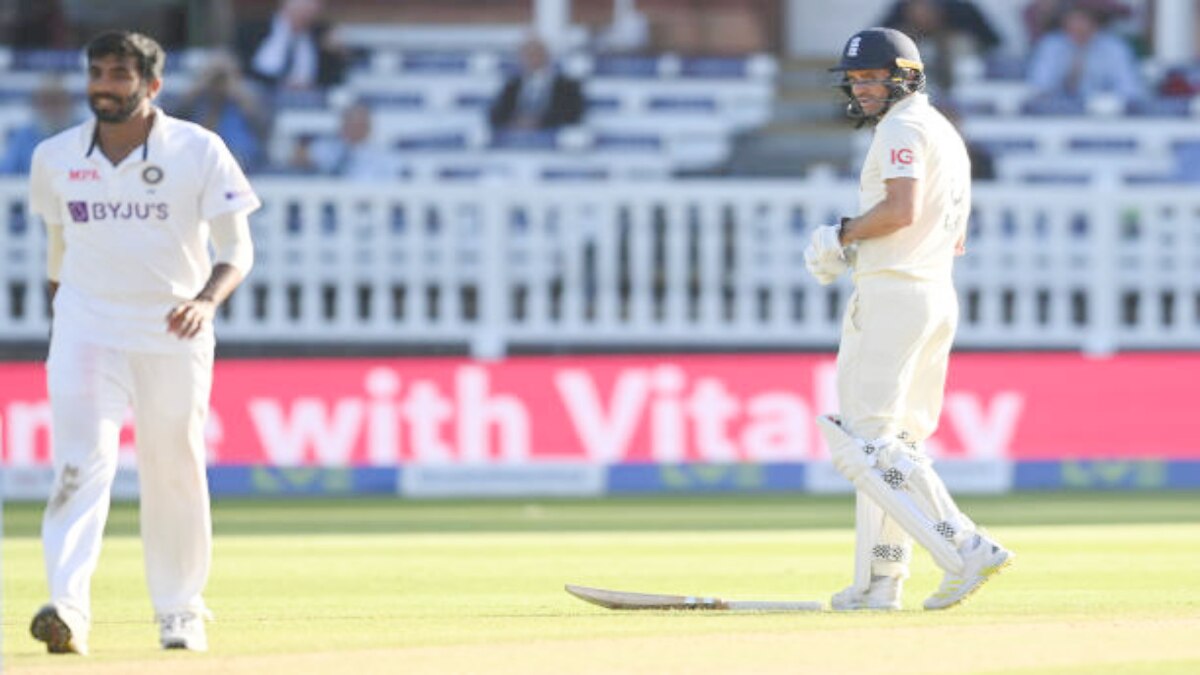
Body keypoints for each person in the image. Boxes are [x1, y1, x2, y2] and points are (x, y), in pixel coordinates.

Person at [26, 30, 259, 654]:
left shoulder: (198, 149)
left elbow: (238, 248)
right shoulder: (54, 155)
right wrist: (67, 316)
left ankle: (179, 611)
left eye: (119, 75)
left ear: (152, 85)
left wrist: (205, 302)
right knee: (78, 465)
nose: (104, 86)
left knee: (173, 468)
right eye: (97, 72)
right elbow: (59, 246)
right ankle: (67, 608)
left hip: (172, 330)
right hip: (87, 330)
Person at [804, 27, 1012, 612]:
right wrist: (860, 250)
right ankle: (881, 581)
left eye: (874, 77)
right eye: (856, 79)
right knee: (895, 446)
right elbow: (948, 232)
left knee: (864, 446)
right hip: (933, 291)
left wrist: (842, 235)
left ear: (907, 77)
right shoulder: (943, 130)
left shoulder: (901, 127)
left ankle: (965, 546)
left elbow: (901, 210)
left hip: (895, 295)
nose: (863, 88)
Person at [172, 51, 271, 172]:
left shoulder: (248, 92)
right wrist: (200, 85)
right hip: (199, 151)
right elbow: (175, 118)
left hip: (238, 152)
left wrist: (237, 92)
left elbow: (263, 126)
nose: (219, 80)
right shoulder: (198, 95)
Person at [1026, 0, 1142, 101]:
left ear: (1096, 22)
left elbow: (1130, 89)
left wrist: (1108, 100)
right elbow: (1038, 85)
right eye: (1072, 19)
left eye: (1082, 19)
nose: (1077, 25)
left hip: (1103, 115)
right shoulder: (1051, 46)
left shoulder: (1114, 48)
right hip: (1056, 113)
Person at [880, 0, 1001, 94]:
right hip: (919, 61)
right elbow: (878, 39)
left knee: (958, 44)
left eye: (928, 13)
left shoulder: (962, 11)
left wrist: (949, 36)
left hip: (962, 68)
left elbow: (992, 42)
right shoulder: (899, 10)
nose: (924, 19)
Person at [236, 0, 347, 92]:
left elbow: (334, 80)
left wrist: (337, 55)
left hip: (306, 100)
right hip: (260, 95)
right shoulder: (254, 30)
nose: (307, 10)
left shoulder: (321, 35)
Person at [488, 37, 585, 133]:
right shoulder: (512, 85)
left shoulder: (567, 85)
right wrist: (515, 122)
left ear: (547, 56)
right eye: (527, 55)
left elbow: (573, 114)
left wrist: (539, 122)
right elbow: (496, 115)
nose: (532, 59)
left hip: (552, 136)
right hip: (516, 136)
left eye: (536, 54)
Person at [299, 101, 403, 179]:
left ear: (369, 127)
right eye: (350, 122)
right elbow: (299, 157)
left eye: (359, 123)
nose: (354, 128)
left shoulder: (382, 155)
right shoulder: (328, 147)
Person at [0, 76, 80, 175]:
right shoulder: (23, 136)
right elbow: (5, 174)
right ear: (36, 104)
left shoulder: (85, 134)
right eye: (47, 102)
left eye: (57, 101)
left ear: (70, 103)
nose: (52, 108)